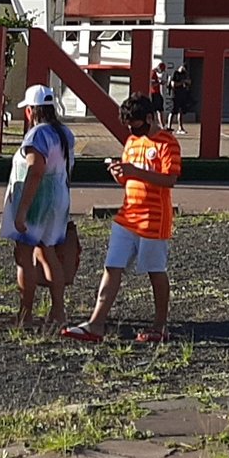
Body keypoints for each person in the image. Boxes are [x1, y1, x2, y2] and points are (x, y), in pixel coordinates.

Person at [61, 94, 181, 344]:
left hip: (153, 220)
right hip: (127, 216)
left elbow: (169, 179)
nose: (134, 131)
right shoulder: (132, 142)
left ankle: (160, 327)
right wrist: (120, 174)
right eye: (129, 127)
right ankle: (95, 324)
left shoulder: (166, 143)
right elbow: (130, 178)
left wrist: (135, 172)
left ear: (149, 118)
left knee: (155, 271)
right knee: (111, 267)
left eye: (137, 126)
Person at [1, 84, 76, 331]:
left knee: (24, 255)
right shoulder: (64, 133)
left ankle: (26, 314)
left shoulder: (37, 135)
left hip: (38, 199)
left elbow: (35, 170)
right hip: (58, 196)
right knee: (48, 252)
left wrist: (22, 210)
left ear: (32, 110)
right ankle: (58, 311)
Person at [166, 63, 194, 129]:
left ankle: (180, 127)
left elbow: (189, 83)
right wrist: (182, 82)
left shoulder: (184, 74)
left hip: (182, 95)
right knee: (173, 111)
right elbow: (173, 84)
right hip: (175, 95)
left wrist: (188, 82)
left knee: (181, 111)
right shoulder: (175, 73)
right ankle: (169, 126)